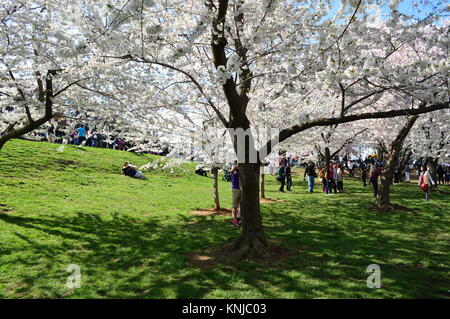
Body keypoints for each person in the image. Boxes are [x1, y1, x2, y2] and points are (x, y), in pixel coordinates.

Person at [230, 162, 241, 228]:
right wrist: (237, 165)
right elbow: (231, 171)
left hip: (242, 189)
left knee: (241, 205)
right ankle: (234, 221)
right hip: (236, 189)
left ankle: (238, 219)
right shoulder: (234, 170)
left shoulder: (241, 171)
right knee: (235, 206)